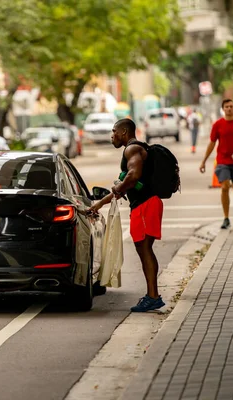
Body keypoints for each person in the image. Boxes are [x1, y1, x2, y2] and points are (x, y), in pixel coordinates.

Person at [88, 119, 165, 312]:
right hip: (145, 204)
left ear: (124, 132)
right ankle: (152, 295)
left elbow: (133, 175)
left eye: (114, 131)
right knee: (144, 248)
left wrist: (119, 186)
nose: (112, 135)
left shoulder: (132, 149)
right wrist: (99, 204)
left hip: (146, 205)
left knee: (144, 249)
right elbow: (126, 184)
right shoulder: (134, 149)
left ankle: (153, 297)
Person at [199, 99, 233, 229]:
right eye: (226, 107)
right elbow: (212, 143)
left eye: (231, 106)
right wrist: (204, 161)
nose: (229, 109)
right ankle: (225, 218)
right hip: (223, 161)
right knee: (224, 187)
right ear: (223, 109)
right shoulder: (218, 124)